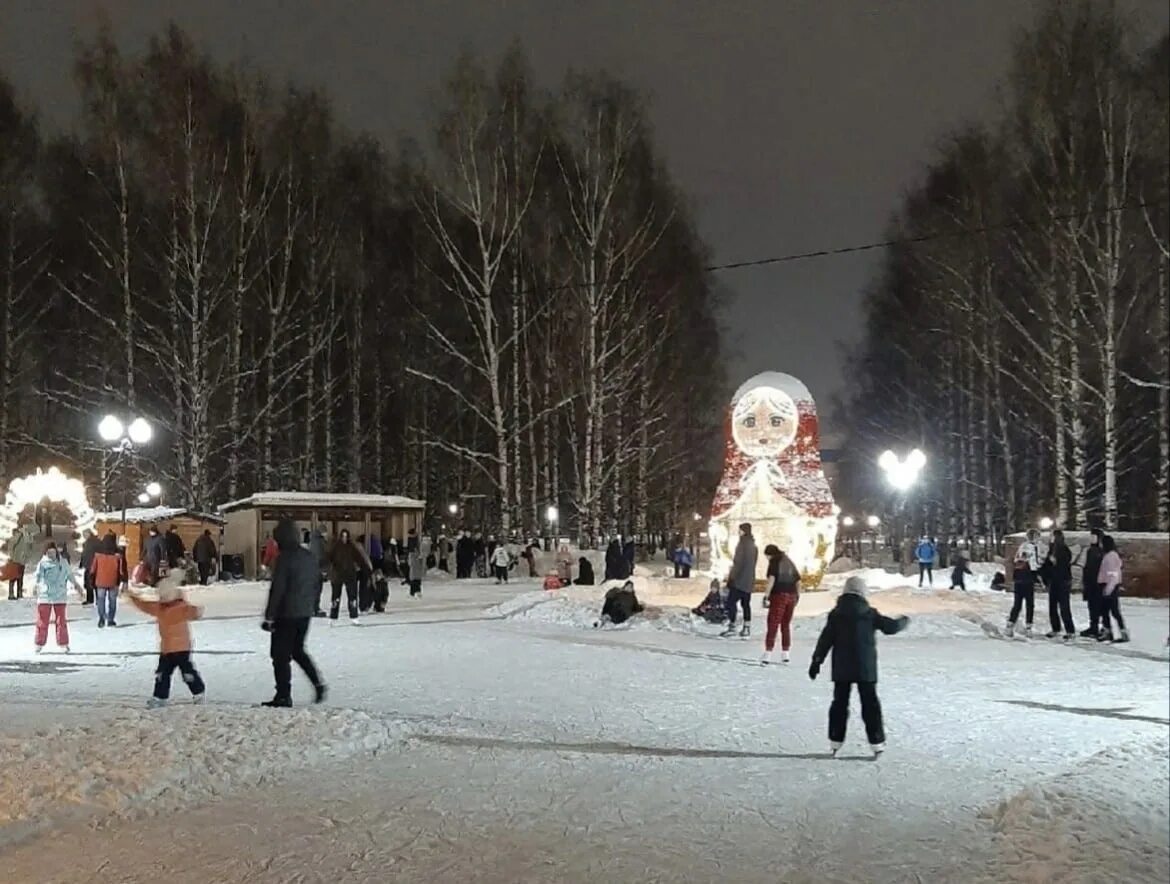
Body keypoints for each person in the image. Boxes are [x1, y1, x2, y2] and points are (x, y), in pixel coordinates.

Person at [809, 575, 909, 757]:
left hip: (842, 667)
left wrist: (817, 661)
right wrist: (903, 621)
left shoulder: (836, 614)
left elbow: (825, 639)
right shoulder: (869, 613)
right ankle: (877, 742)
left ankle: (835, 741)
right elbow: (890, 627)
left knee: (839, 703)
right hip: (865, 668)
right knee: (870, 704)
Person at [261, 518, 326, 707]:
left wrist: (270, 616)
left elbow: (278, 589)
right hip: (304, 613)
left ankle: (283, 695)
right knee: (297, 650)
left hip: (286, 613)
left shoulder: (284, 558)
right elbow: (317, 582)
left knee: (280, 655)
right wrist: (312, 605)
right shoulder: (308, 556)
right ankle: (318, 683)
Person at [126, 572, 206, 708]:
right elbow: (145, 605)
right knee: (162, 674)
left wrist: (197, 611)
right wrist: (133, 598)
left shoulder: (181, 607)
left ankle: (198, 691)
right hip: (167, 649)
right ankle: (160, 696)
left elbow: (194, 612)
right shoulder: (160, 608)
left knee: (187, 672)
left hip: (181, 648)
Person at [33, 542, 82, 653]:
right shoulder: (42, 563)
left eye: (53, 552)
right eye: (49, 552)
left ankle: (63, 643)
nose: (51, 554)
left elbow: (70, 575)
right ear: (45, 553)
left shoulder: (63, 563)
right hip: (45, 596)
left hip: (60, 596)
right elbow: (38, 577)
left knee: (61, 621)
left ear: (56, 552)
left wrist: (77, 586)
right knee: (42, 621)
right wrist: (35, 588)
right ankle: (39, 643)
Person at [761, 544, 800, 664]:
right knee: (785, 625)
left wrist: (766, 596)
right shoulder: (789, 561)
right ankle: (785, 653)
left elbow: (771, 580)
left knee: (773, 624)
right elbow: (798, 580)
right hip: (792, 595)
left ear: (769, 554)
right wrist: (797, 596)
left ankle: (768, 653)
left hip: (779, 595)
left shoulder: (774, 562)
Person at [721, 523, 758, 637]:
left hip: (739, 581)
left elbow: (738, 563)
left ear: (744, 531)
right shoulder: (754, 545)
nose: (739, 532)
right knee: (745, 604)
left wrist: (731, 578)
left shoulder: (742, 545)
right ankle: (746, 627)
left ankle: (732, 626)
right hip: (749, 580)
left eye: (740, 530)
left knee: (731, 602)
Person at [1005, 529, 1041, 638]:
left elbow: (1017, 561)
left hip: (1019, 579)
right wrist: (1037, 576)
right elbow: (1034, 565)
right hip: (1028, 579)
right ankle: (1028, 627)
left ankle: (1010, 625)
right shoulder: (1031, 548)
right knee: (1029, 604)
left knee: (1017, 604)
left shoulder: (1022, 546)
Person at [328, 529, 369, 622]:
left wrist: (365, 568)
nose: (344, 538)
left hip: (350, 575)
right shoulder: (335, 547)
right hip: (337, 575)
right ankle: (333, 617)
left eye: (346, 536)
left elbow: (359, 558)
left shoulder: (351, 547)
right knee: (335, 597)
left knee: (352, 596)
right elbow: (328, 558)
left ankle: (354, 616)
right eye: (343, 536)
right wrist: (328, 569)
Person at [1044, 529, 1076, 640]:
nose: (1050, 538)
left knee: (1064, 606)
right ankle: (1055, 628)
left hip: (1063, 581)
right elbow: (1047, 565)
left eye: (1052, 536)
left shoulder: (1064, 550)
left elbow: (1065, 564)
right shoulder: (1051, 549)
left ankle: (1070, 630)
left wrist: (1055, 562)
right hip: (1053, 581)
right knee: (1052, 606)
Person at [90, 534, 126, 628]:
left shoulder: (98, 555)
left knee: (101, 600)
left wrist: (91, 579)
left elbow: (93, 569)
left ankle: (101, 618)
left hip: (100, 581)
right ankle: (110, 620)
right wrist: (122, 580)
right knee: (112, 601)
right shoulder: (118, 556)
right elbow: (121, 571)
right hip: (113, 582)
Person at [1098, 535, 1129, 643]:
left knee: (1111, 610)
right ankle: (1115, 631)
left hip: (1108, 585)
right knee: (1108, 610)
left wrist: (1108, 588)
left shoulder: (1110, 557)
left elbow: (1113, 574)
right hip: (1109, 585)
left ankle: (1115, 632)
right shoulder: (1111, 555)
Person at [1079, 528, 1105, 638]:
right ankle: (1093, 627)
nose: (1092, 539)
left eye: (1094, 537)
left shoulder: (1103, 551)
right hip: (1090, 583)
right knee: (1092, 606)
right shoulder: (1090, 550)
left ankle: (1105, 628)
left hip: (1100, 583)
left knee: (1102, 607)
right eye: (1091, 537)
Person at [308, 526, 328, 616]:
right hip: (318, 570)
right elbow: (321, 556)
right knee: (317, 589)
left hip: (311, 569)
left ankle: (312, 608)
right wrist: (324, 570)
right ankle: (315, 608)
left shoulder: (312, 540)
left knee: (313, 589)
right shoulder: (320, 542)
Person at [79, 529, 101, 606]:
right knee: (88, 583)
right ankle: (90, 599)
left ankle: (98, 600)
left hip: (94, 565)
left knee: (94, 583)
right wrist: (82, 563)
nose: (84, 536)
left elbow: (99, 553)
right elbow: (84, 554)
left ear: (89, 533)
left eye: (85, 534)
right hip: (88, 565)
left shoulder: (95, 541)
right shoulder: (86, 543)